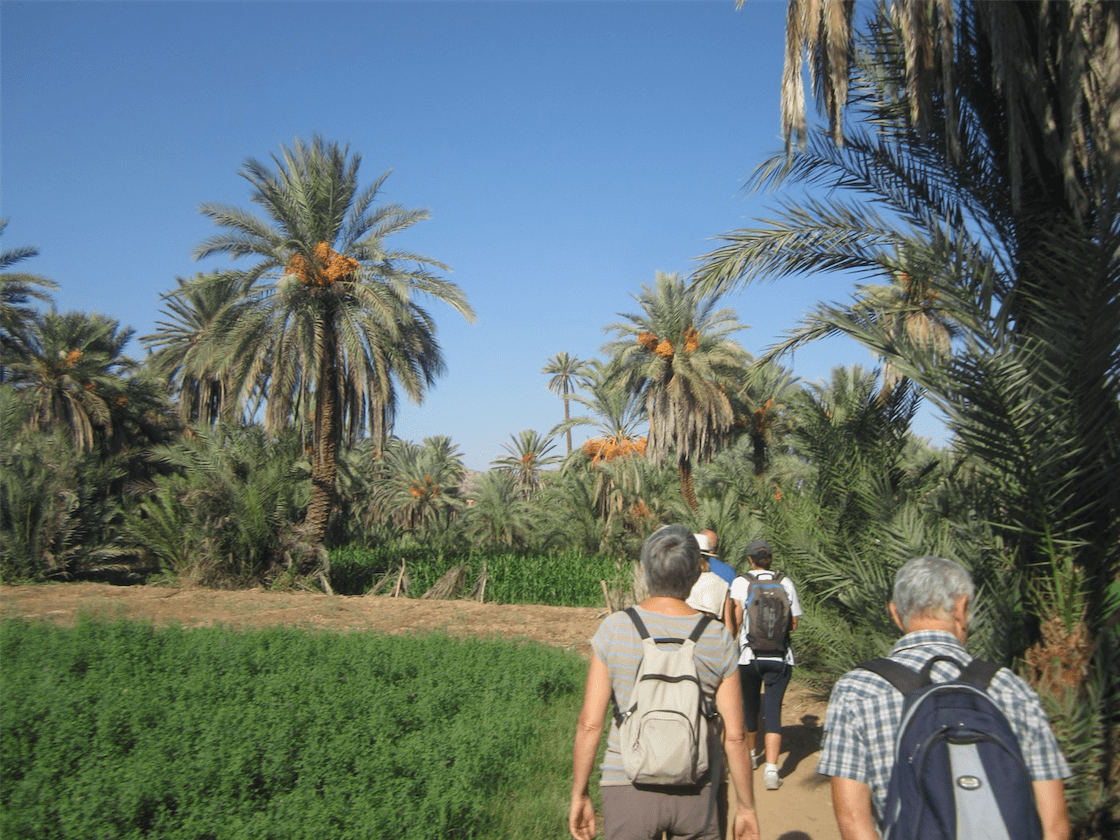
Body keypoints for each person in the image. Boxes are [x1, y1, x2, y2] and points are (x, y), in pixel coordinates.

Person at [816, 555, 1071, 840]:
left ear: (895, 614)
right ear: (962, 608)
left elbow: (853, 818)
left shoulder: (858, 689)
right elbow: (1055, 825)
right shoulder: (1011, 688)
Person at [569, 525, 761, 840]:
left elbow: (590, 724)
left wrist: (580, 793)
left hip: (626, 784)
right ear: (696, 574)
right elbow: (736, 737)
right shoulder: (717, 638)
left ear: (645, 571)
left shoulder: (615, 629)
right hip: (700, 787)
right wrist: (746, 807)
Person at [729, 538, 802, 791]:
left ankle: (751, 756)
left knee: (750, 707)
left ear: (749, 559)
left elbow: (737, 619)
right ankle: (772, 770)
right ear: (770, 558)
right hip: (780, 657)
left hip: (748, 657)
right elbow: (794, 624)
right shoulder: (785, 582)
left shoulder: (741, 583)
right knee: (773, 710)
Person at [686, 554, 735, 626]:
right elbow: (728, 622)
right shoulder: (722, 581)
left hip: (687, 624)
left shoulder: (686, 581)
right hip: (712, 626)